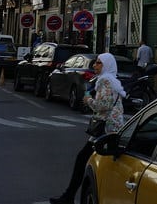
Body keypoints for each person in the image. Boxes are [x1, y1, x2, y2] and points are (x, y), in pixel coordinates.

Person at [49, 53, 126, 204]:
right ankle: (69, 196)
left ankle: (69, 197)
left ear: (107, 66)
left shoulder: (105, 81)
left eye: (99, 63)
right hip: (111, 128)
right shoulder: (111, 80)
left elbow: (103, 105)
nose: (95, 65)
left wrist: (88, 100)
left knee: (83, 159)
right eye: (96, 63)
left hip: (105, 130)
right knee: (99, 162)